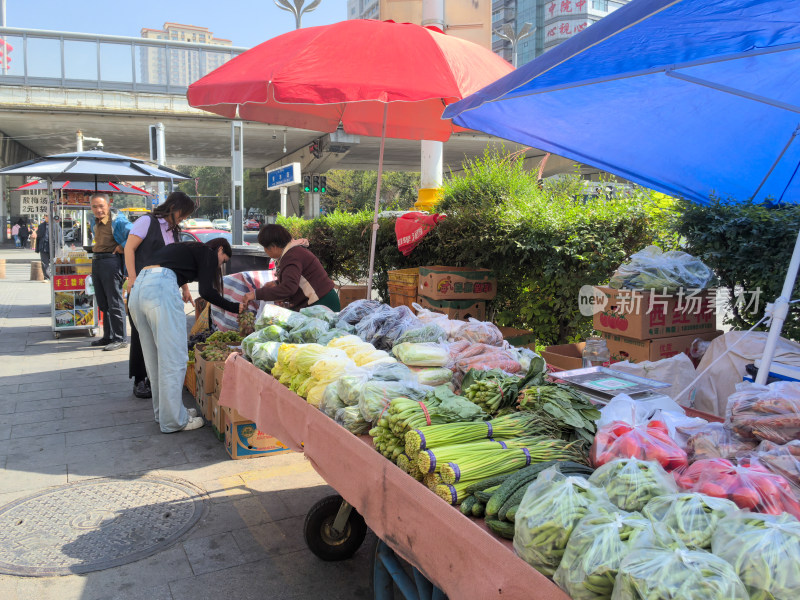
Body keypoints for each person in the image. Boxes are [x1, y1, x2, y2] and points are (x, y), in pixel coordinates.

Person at [128, 238, 245, 433]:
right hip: (160, 289)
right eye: (223, 261)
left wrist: (183, 289)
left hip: (139, 287)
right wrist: (234, 307)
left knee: (154, 359)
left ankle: (165, 414)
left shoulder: (185, 248)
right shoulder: (208, 252)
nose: (220, 265)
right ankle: (174, 421)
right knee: (174, 357)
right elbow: (206, 291)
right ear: (220, 249)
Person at [124, 191, 196, 399]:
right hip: (142, 288)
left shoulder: (174, 230)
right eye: (183, 214)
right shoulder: (147, 221)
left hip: (164, 290)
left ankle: (158, 379)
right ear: (174, 208)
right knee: (141, 334)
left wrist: (185, 288)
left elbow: (176, 262)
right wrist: (132, 278)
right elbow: (129, 248)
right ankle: (140, 379)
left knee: (162, 335)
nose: (183, 219)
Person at [242, 224, 340, 311]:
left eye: (265, 248)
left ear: (273, 247)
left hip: (323, 305)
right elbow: (295, 280)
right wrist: (276, 284)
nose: (265, 251)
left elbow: (288, 288)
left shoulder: (292, 257)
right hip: (319, 303)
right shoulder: (293, 253)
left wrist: (255, 294)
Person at [90, 194, 132, 352]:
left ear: (108, 205)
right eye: (94, 206)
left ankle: (120, 338)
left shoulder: (118, 221)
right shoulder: (95, 221)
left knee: (114, 301)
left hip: (111, 262)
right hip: (97, 261)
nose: (98, 209)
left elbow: (136, 235)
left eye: (101, 206)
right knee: (103, 302)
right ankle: (108, 335)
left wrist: (122, 246)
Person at [35, 215, 51, 280]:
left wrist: (60, 246)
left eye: (48, 216)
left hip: (52, 247)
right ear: (44, 217)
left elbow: (59, 236)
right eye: (46, 216)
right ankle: (46, 277)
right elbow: (38, 238)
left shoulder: (55, 225)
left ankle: (53, 276)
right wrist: (37, 248)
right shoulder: (41, 226)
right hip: (43, 247)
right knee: (44, 263)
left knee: (54, 263)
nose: (47, 217)